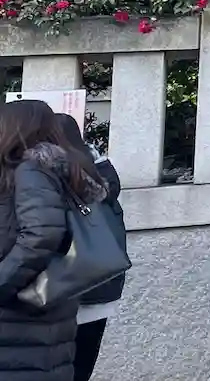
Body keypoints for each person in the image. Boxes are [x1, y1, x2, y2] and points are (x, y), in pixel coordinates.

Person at [0, 99, 108, 381]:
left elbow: (42, 235)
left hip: (19, 318)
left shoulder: (31, 170)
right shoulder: (56, 169)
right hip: (42, 308)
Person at [52, 117, 124, 381]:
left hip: (61, 286)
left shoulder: (49, 173)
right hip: (100, 282)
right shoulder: (100, 174)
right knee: (82, 366)